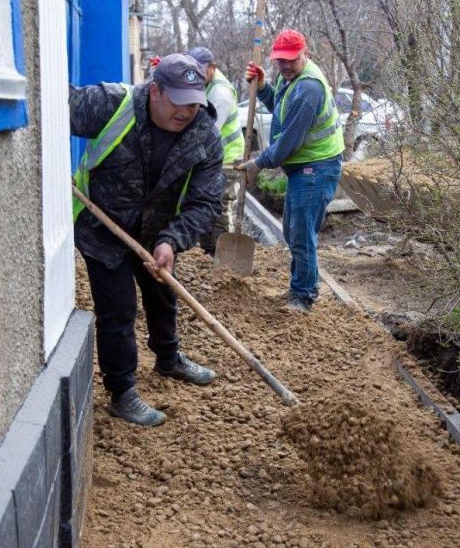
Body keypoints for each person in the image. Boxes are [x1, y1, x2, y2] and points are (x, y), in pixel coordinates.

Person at [70, 54, 225, 427]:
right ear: (155, 90)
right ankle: (122, 392)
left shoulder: (205, 135)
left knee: (162, 293)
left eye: (194, 102)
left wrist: (172, 241)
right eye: (178, 101)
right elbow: (52, 107)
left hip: (157, 230)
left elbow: (205, 202)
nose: (187, 111)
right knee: (118, 308)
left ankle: (169, 358)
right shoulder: (111, 104)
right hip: (102, 228)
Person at [235, 29, 345, 311]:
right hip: (305, 167)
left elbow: (289, 143)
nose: (283, 66)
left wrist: (257, 164)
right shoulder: (293, 79)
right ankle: (301, 286)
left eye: (289, 60)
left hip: (317, 167)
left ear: (303, 54)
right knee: (292, 229)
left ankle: (304, 295)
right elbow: (282, 110)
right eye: (279, 61)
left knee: (300, 231)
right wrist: (262, 88)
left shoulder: (309, 89)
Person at [186, 46, 246, 255]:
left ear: (212, 68)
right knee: (206, 203)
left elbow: (209, 132)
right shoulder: (206, 85)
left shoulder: (220, 93)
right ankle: (209, 252)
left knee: (220, 206)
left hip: (227, 159)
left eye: (201, 71)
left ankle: (224, 257)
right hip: (213, 159)